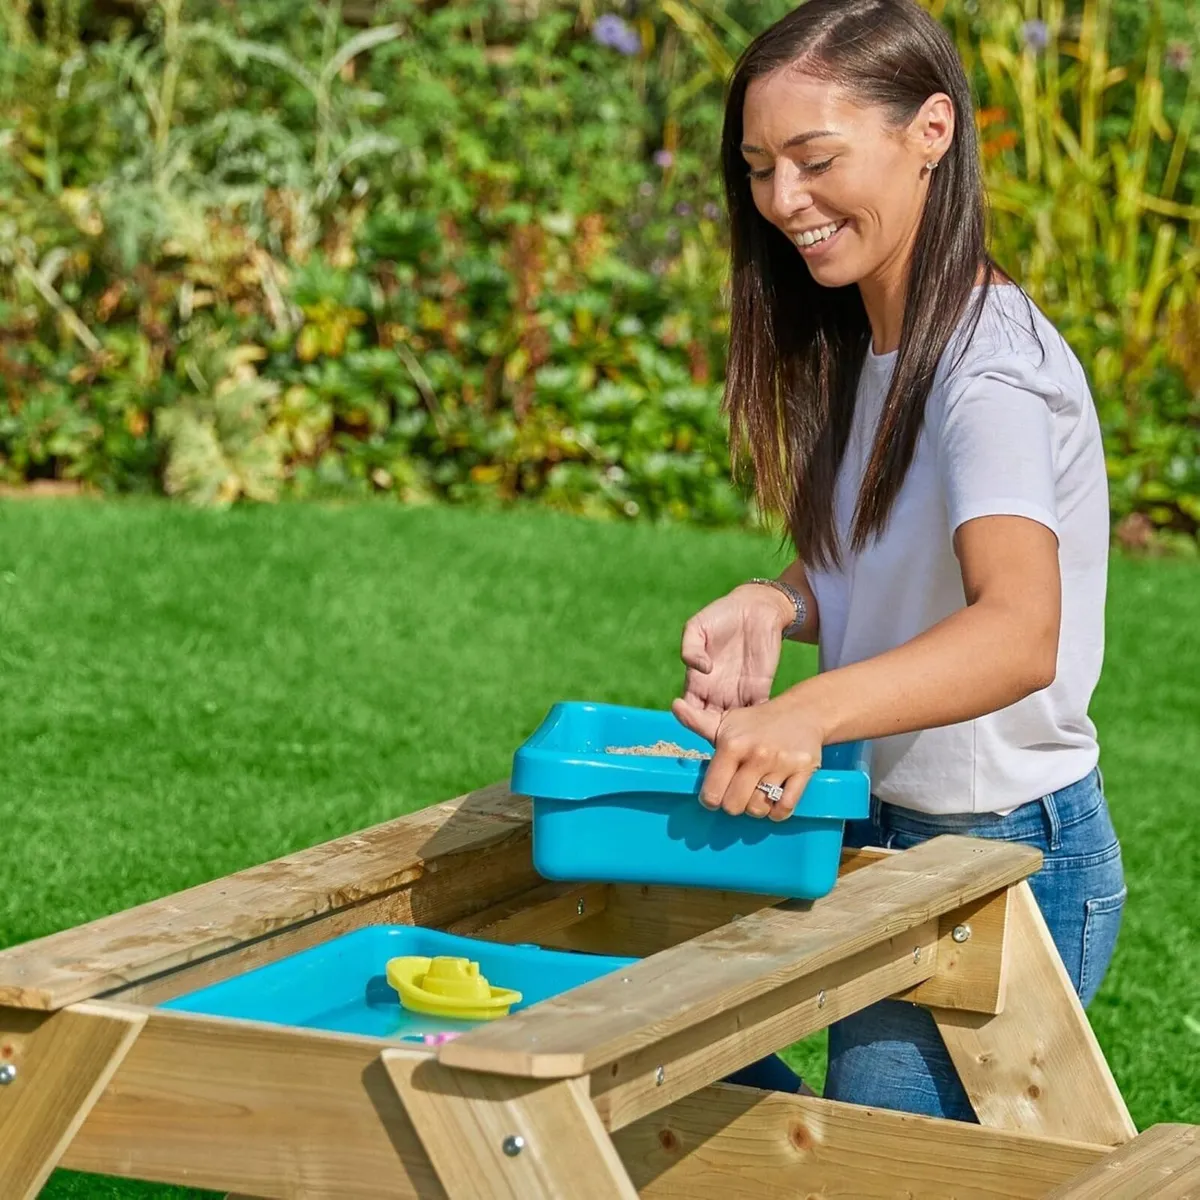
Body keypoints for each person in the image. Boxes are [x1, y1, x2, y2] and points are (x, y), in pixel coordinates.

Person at [670, 0, 1125, 1122]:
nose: (784, 201)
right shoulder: (873, 339)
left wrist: (806, 712)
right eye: (760, 169)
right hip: (884, 820)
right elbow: (889, 564)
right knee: (653, 1044)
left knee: (848, 1168)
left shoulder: (991, 371)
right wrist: (777, 602)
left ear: (932, 130)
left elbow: (1017, 633)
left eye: (816, 160)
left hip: (994, 857)